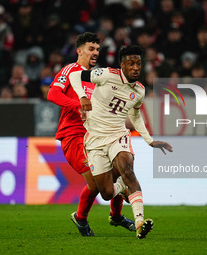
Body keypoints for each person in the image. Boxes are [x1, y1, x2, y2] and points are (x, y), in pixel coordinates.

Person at [69, 45, 173, 239]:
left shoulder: (140, 90)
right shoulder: (106, 74)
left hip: (118, 135)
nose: (136, 68)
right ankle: (121, 188)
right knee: (107, 193)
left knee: (127, 169)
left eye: (139, 64)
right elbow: (75, 76)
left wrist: (149, 141)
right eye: (131, 63)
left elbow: (135, 114)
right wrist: (82, 96)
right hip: (95, 140)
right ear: (122, 65)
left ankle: (140, 221)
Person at [47, 32, 135, 237]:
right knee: (96, 182)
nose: (95, 53)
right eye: (91, 49)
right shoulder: (71, 70)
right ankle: (80, 218)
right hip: (73, 134)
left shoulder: (97, 77)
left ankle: (116, 215)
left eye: (97, 49)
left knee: (118, 169)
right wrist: (78, 104)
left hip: (96, 135)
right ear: (79, 50)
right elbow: (53, 93)